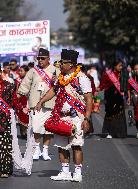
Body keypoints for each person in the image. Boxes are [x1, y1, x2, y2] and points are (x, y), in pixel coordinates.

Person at [35, 49, 93, 182]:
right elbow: (53, 91)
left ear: (71, 64)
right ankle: (65, 172)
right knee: (61, 146)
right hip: (60, 116)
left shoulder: (82, 78)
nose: (60, 65)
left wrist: (86, 118)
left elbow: (89, 99)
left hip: (77, 117)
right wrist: (41, 101)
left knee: (76, 145)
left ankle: (77, 173)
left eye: (63, 63)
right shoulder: (60, 78)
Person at [17, 48, 60, 161]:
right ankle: (36, 149)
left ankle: (45, 150)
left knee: (48, 129)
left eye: (43, 58)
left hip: (51, 104)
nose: (40, 60)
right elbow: (25, 85)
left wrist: (57, 81)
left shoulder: (56, 70)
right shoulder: (33, 71)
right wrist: (17, 98)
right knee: (36, 128)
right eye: (38, 58)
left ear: (48, 59)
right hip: (35, 103)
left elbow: (61, 87)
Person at [98, 59, 127, 138]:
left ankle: (118, 132)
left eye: (121, 66)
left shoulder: (123, 74)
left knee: (119, 113)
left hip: (119, 96)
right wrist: (98, 90)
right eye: (119, 66)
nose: (121, 67)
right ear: (114, 66)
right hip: (110, 96)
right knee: (110, 113)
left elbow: (127, 85)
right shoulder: (108, 74)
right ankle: (108, 132)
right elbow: (103, 84)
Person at [15, 65, 30, 139]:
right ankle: (22, 132)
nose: (20, 72)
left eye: (21, 71)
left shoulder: (30, 80)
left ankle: (28, 132)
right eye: (19, 71)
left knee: (27, 116)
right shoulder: (18, 80)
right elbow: (16, 90)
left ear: (26, 72)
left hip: (27, 100)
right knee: (20, 115)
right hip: (20, 100)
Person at [127, 63, 138, 138]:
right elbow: (129, 89)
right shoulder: (132, 78)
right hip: (136, 99)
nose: (137, 70)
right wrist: (129, 97)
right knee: (137, 115)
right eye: (135, 69)